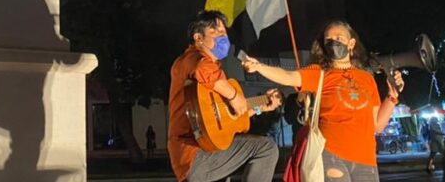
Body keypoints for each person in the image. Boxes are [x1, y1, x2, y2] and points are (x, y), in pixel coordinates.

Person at [244, 20, 404, 182]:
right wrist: (260, 67)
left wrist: (392, 97)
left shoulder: (367, 79)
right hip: (331, 154)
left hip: (366, 160)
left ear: (351, 43)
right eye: (329, 40)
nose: (334, 42)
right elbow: (288, 76)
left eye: (339, 37)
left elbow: (377, 124)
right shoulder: (319, 74)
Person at [168, 10, 283, 182]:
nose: (223, 36)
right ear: (198, 38)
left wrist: (261, 106)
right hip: (196, 155)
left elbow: (232, 119)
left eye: (224, 32)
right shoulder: (190, 58)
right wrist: (234, 95)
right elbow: (202, 69)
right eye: (216, 31)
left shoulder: (214, 76)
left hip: (209, 152)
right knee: (266, 148)